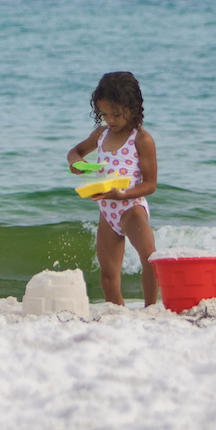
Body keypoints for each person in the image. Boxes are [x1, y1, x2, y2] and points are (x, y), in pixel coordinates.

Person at [67, 71, 159, 306]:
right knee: (108, 276)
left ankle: (150, 309)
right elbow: (75, 151)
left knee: (150, 258)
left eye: (115, 114)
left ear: (133, 106)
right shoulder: (100, 135)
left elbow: (150, 184)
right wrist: (77, 164)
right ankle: (118, 315)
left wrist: (123, 194)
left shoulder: (141, 139)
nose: (110, 120)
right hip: (107, 211)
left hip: (131, 207)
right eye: (105, 114)